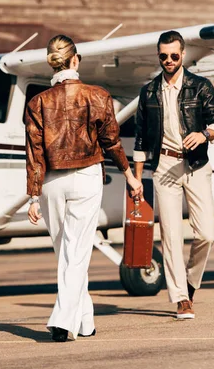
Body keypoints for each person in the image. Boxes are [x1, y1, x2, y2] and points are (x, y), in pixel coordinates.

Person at [25, 34, 143, 342]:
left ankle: (85, 321)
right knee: (75, 254)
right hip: (87, 176)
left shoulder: (37, 102)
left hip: (51, 182)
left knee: (66, 253)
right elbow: (112, 142)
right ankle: (64, 320)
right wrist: (129, 175)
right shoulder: (98, 95)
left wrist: (34, 197)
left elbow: (34, 153)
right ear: (76, 60)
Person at [133, 30, 214, 319]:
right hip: (163, 167)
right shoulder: (149, 92)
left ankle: (190, 283)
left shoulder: (200, 86)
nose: (169, 60)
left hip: (196, 166)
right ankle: (180, 298)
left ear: (183, 55)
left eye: (174, 55)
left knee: (206, 234)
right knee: (171, 236)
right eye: (163, 56)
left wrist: (204, 134)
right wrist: (137, 180)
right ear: (158, 55)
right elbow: (139, 141)